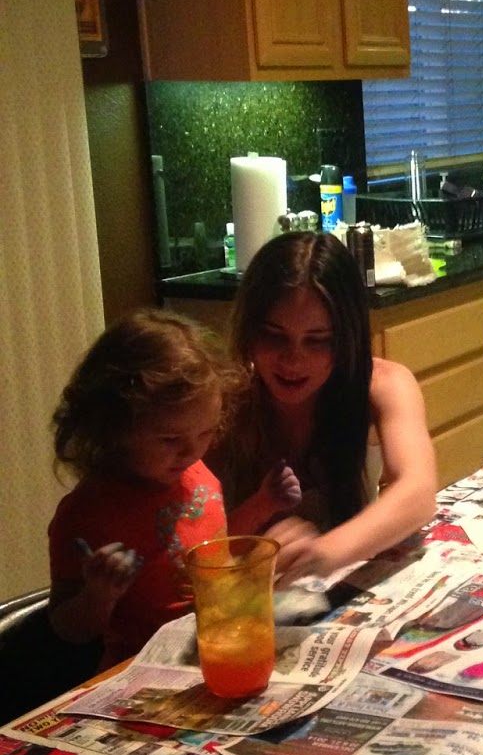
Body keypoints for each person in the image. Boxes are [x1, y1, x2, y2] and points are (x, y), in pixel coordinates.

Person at [214, 232, 438, 583]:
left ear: (347, 339)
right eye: (275, 335)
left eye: (317, 341)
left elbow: (419, 491)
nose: (293, 360)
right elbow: (195, 544)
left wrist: (323, 552)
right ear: (249, 331)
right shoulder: (219, 402)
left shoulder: (384, 383)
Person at [47, 310, 246, 669]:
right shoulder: (86, 513)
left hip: (216, 650)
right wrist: (98, 595)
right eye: (170, 439)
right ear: (114, 427)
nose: (191, 452)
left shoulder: (198, 472)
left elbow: (219, 558)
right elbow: (66, 629)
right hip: (145, 672)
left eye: (205, 432)